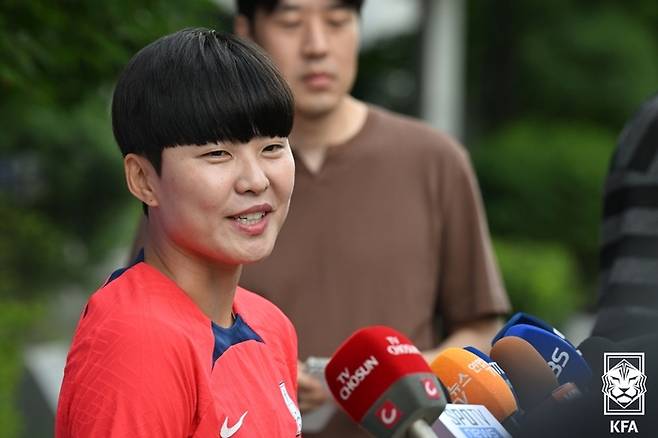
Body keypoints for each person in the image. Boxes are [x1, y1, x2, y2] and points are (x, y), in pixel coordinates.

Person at [232, 1, 512, 436]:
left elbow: (478, 327)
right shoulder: (210, 172)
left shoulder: (435, 160)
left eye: (338, 21)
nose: (317, 46)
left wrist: (388, 380)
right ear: (246, 31)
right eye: (290, 23)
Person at [55, 29, 302, 437]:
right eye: (217, 154)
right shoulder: (138, 342)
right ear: (143, 180)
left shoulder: (271, 325)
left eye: (272, 147)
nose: (256, 180)